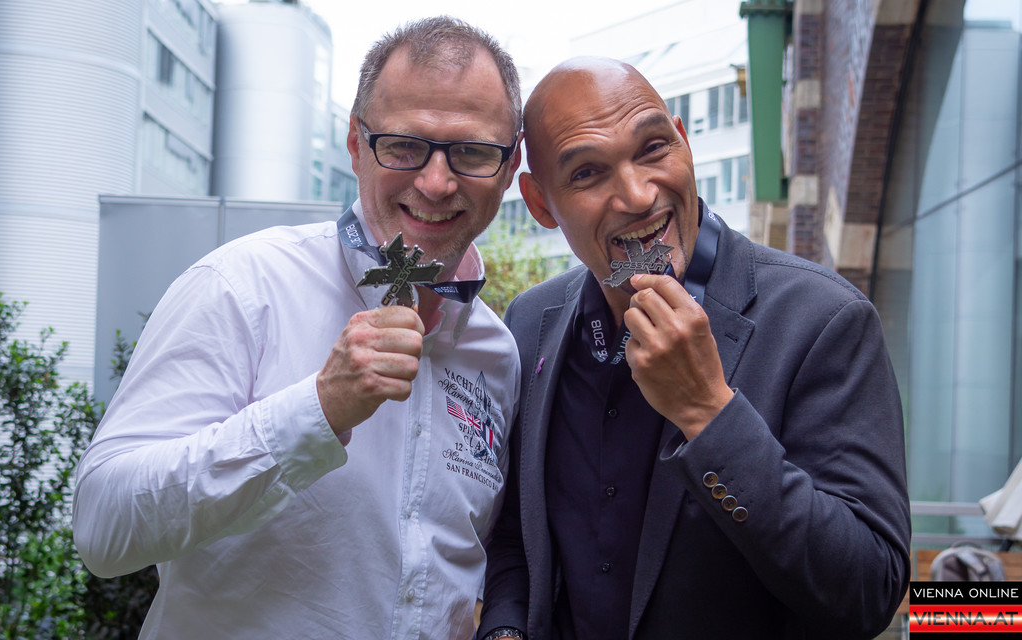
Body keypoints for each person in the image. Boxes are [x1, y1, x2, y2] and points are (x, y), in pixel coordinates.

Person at [73, 16, 523, 639]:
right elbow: (103, 527)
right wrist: (316, 409)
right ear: (355, 142)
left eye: (471, 152)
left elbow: (470, 562)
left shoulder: (496, 353)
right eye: (403, 145)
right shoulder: (242, 285)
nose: (436, 182)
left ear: (509, 166)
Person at [476, 57, 910, 640]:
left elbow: (870, 590)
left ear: (684, 141)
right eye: (587, 174)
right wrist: (505, 631)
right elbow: (515, 537)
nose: (638, 195)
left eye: (653, 148)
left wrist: (707, 411)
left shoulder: (824, 320)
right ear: (539, 203)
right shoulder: (531, 322)